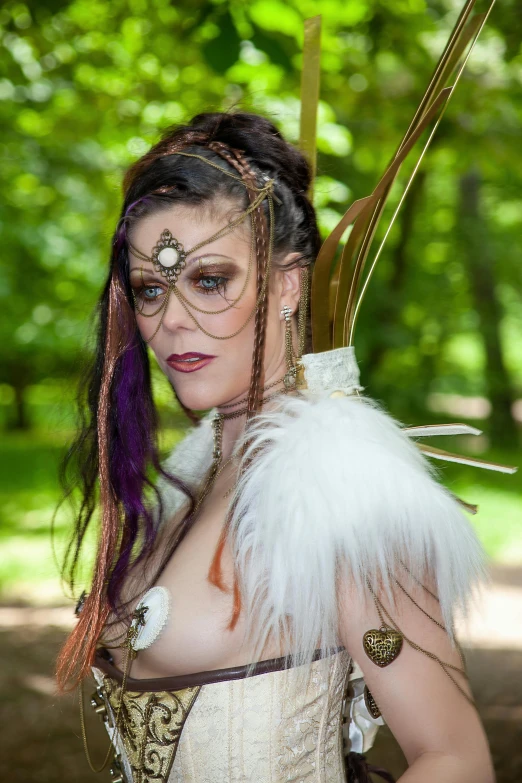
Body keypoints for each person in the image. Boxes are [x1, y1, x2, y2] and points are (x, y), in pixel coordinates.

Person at [52, 106, 503, 783]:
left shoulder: (339, 491)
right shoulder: (196, 471)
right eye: (149, 288)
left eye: (208, 279)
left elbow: (455, 758)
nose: (170, 318)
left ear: (288, 283)